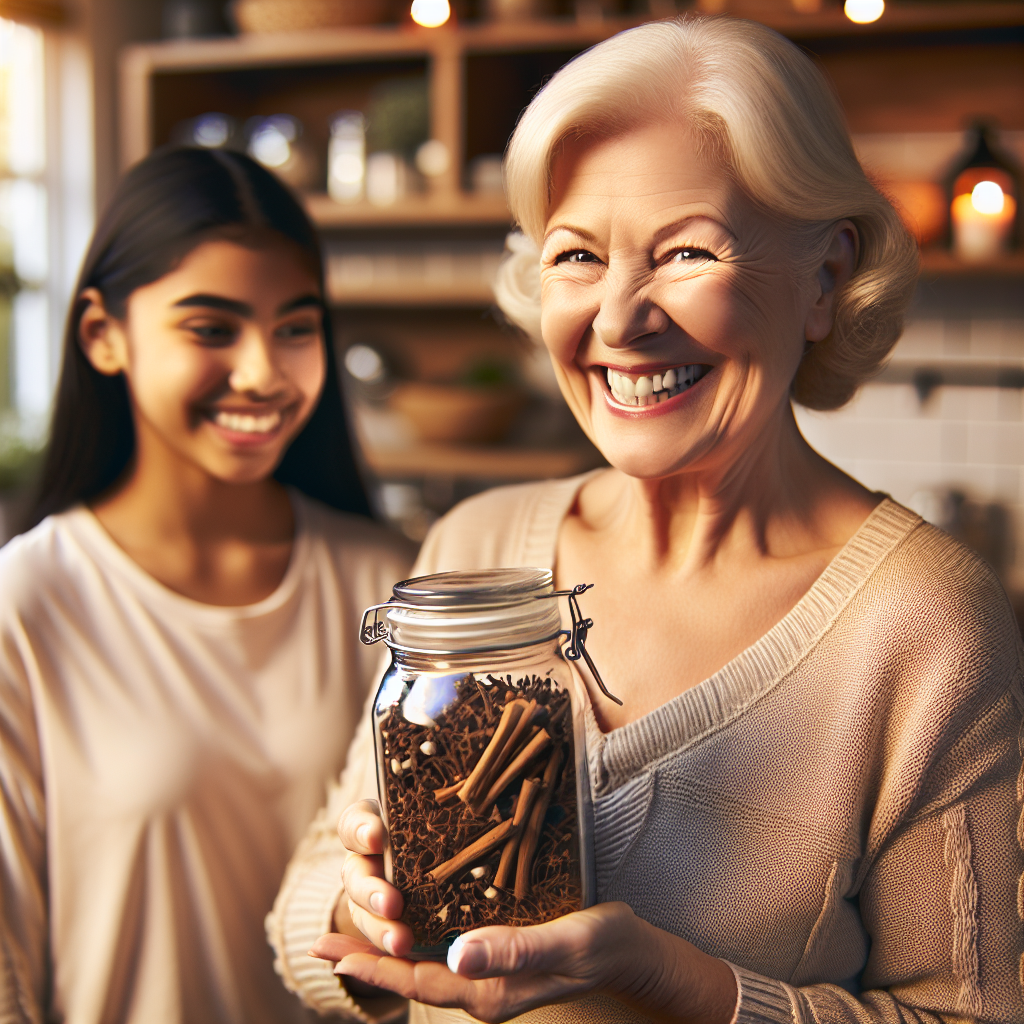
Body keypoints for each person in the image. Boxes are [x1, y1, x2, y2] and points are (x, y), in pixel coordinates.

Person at [270, 16, 1023, 1024]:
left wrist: (682, 988)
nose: (619, 319)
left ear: (825, 278)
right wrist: (368, 921)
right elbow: (307, 901)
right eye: (576, 256)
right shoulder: (476, 549)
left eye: (684, 252)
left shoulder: (928, 625)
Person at [0, 147, 415, 1024]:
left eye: (296, 327)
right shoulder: (26, 605)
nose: (265, 371)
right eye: (212, 327)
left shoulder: (384, 582)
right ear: (101, 335)